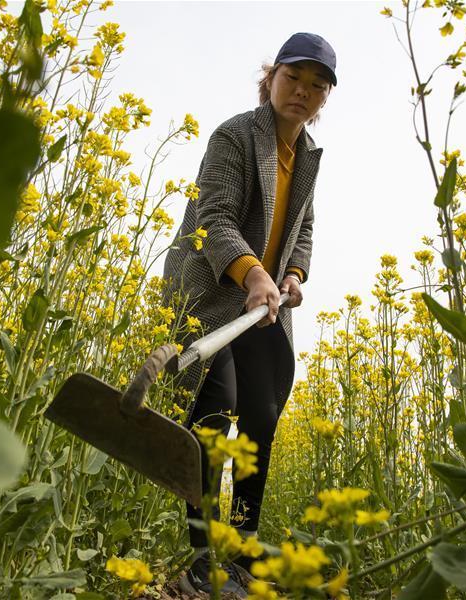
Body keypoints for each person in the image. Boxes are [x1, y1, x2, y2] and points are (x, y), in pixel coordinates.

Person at [162, 32, 336, 597]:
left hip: (264, 303)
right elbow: (212, 215)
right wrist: (252, 272)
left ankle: (242, 544)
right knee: (218, 408)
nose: (302, 93)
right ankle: (200, 557)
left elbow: (303, 227)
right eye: (293, 79)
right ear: (271, 79)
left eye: (316, 87)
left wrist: (293, 275)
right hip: (216, 290)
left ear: (324, 99)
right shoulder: (236, 135)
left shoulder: (307, 156)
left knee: (261, 410)